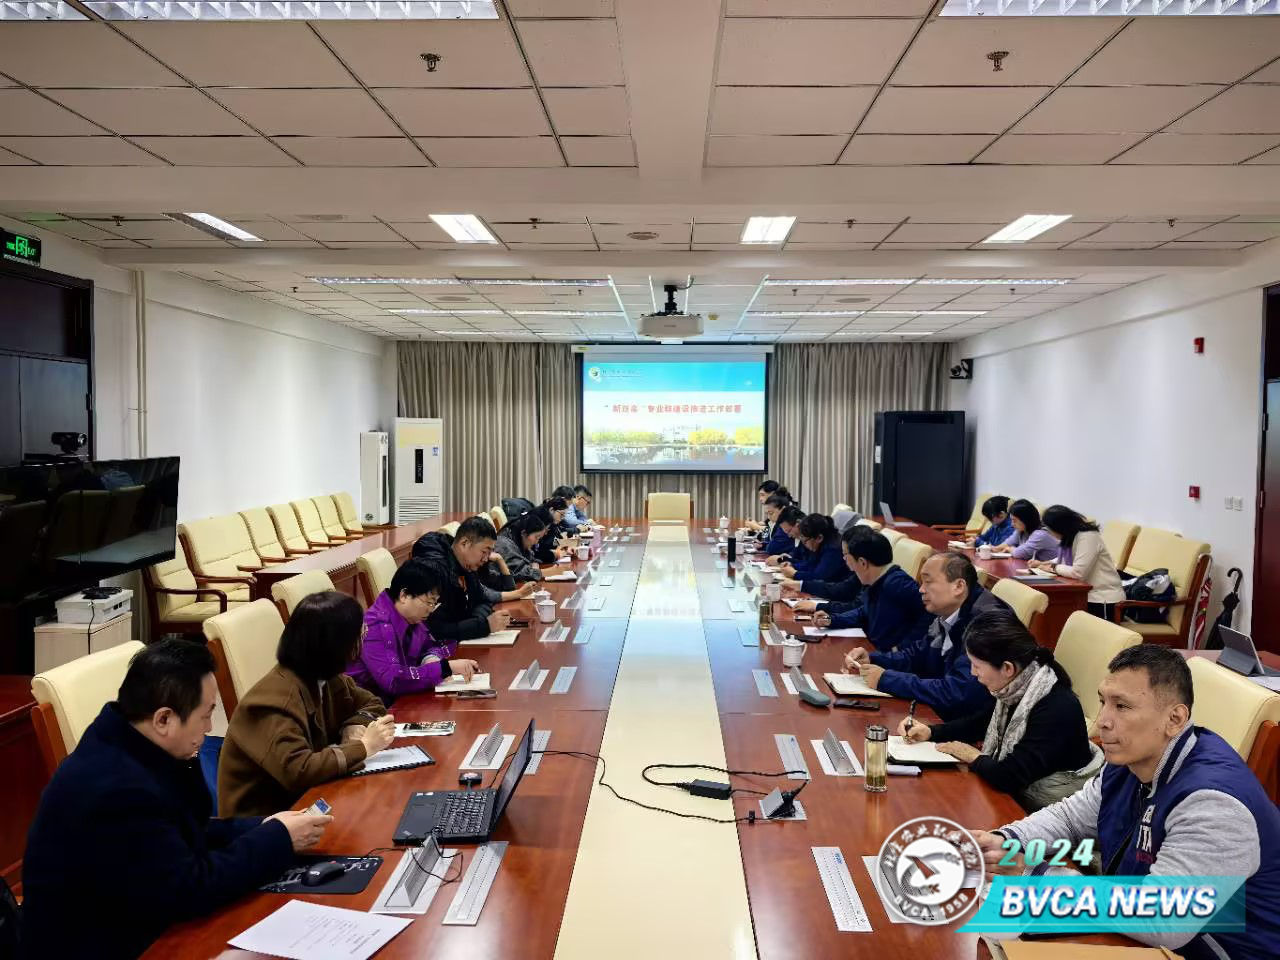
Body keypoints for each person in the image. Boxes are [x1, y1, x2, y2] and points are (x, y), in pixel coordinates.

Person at [20, 639, 330, 959]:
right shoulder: (115, 789)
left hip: (138, 921)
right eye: (205, 716)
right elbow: (190, 887)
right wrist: (278, 839)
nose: (209, 728)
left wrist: (264, 826)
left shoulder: (129, 739)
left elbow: (183, 828)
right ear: (163, 719)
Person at [970, 645, 1280, 960]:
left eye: (1122, 706)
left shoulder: (1214, 804)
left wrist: (1035, 873)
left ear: (1175, 719)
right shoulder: (1132, 760)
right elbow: (1070, 818)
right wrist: (1007, 840)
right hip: (1142, 938)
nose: (1103, 720)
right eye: (1103, 702)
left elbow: (1163, 918)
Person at [896, 611, 1101, 810]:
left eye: (977, 666)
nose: (973, 673)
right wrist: (931, 732)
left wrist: (973, 756)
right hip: (1019, 795)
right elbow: (980, 722)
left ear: (1007, 668)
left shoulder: (1055, 708)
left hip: (1047, 806)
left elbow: (1010, 776)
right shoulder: (1017, 685)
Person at [219, 591, 393, 817]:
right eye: (360, 634)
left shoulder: (325, 676)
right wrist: (364, 747)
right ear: (336, 645)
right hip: (266, 821)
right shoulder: (274, 702)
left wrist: (352, 724)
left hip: (310, 801)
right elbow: (298, 771)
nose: (364, 638)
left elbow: (372, 703)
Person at [844, 551, 1001, 721]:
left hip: (967, 725)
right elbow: (917, 655)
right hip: (939, 714)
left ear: (958, 586)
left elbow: (958, 692)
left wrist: (886, 679)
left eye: (928, 581)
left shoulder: (987, 623)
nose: (921, 589)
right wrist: (873, 659)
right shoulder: (949, 610)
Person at [349, 560, 480, 704]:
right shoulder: (374, 626)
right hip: (370, 708)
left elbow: (430, 645)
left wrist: (430, 658)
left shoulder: (411, 617)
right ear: (404, 595)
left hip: (401, 700)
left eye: (434, 603)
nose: (431, 610)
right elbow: (393, 681)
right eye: (429, 602)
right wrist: (445, 668)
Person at [808, 528, 930, 651]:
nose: (844, 559)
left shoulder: (898, 583)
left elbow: (929, 614)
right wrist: (832, 620)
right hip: (873, 650)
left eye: (845, 555)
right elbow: (864, 612)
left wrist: (900, 648)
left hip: (887, 656)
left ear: (862, 562)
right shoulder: (876, 579)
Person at [413, 515, 528, 641]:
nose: (486, 559)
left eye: (489, 553)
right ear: (465, 543)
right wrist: (484, 626)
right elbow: (435, 630)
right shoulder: (434, 570)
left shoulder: (467, 566)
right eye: (484, 552)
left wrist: (479, 622)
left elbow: (483, 601)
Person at [1031, 504, 1124, 619]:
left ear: (1060, 528)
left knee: (1057, 612)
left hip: (1103, 600)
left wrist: (1053, 567)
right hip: (1084, 595)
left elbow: (1078, 572)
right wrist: (1043, 563)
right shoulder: (1072, 536)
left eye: (1050, 530)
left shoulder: (1088, 537)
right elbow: (1066, 560)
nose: (1051, 534)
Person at [779, 513, 845, 583]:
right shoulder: (817, 542)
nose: (804, 545)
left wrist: (795, 574)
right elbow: (811, 564)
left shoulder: (833, 549)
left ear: (819, 538)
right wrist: (793, 565)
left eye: (805, 541)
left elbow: (819, 577)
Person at [494, 507, 554, 582]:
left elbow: (530, 560)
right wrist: (550, 571)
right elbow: (519, 571)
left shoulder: (517, 537)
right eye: (536, 537)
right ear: (524, 533)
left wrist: (534, 564)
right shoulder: (504, 544)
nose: (536, 542)